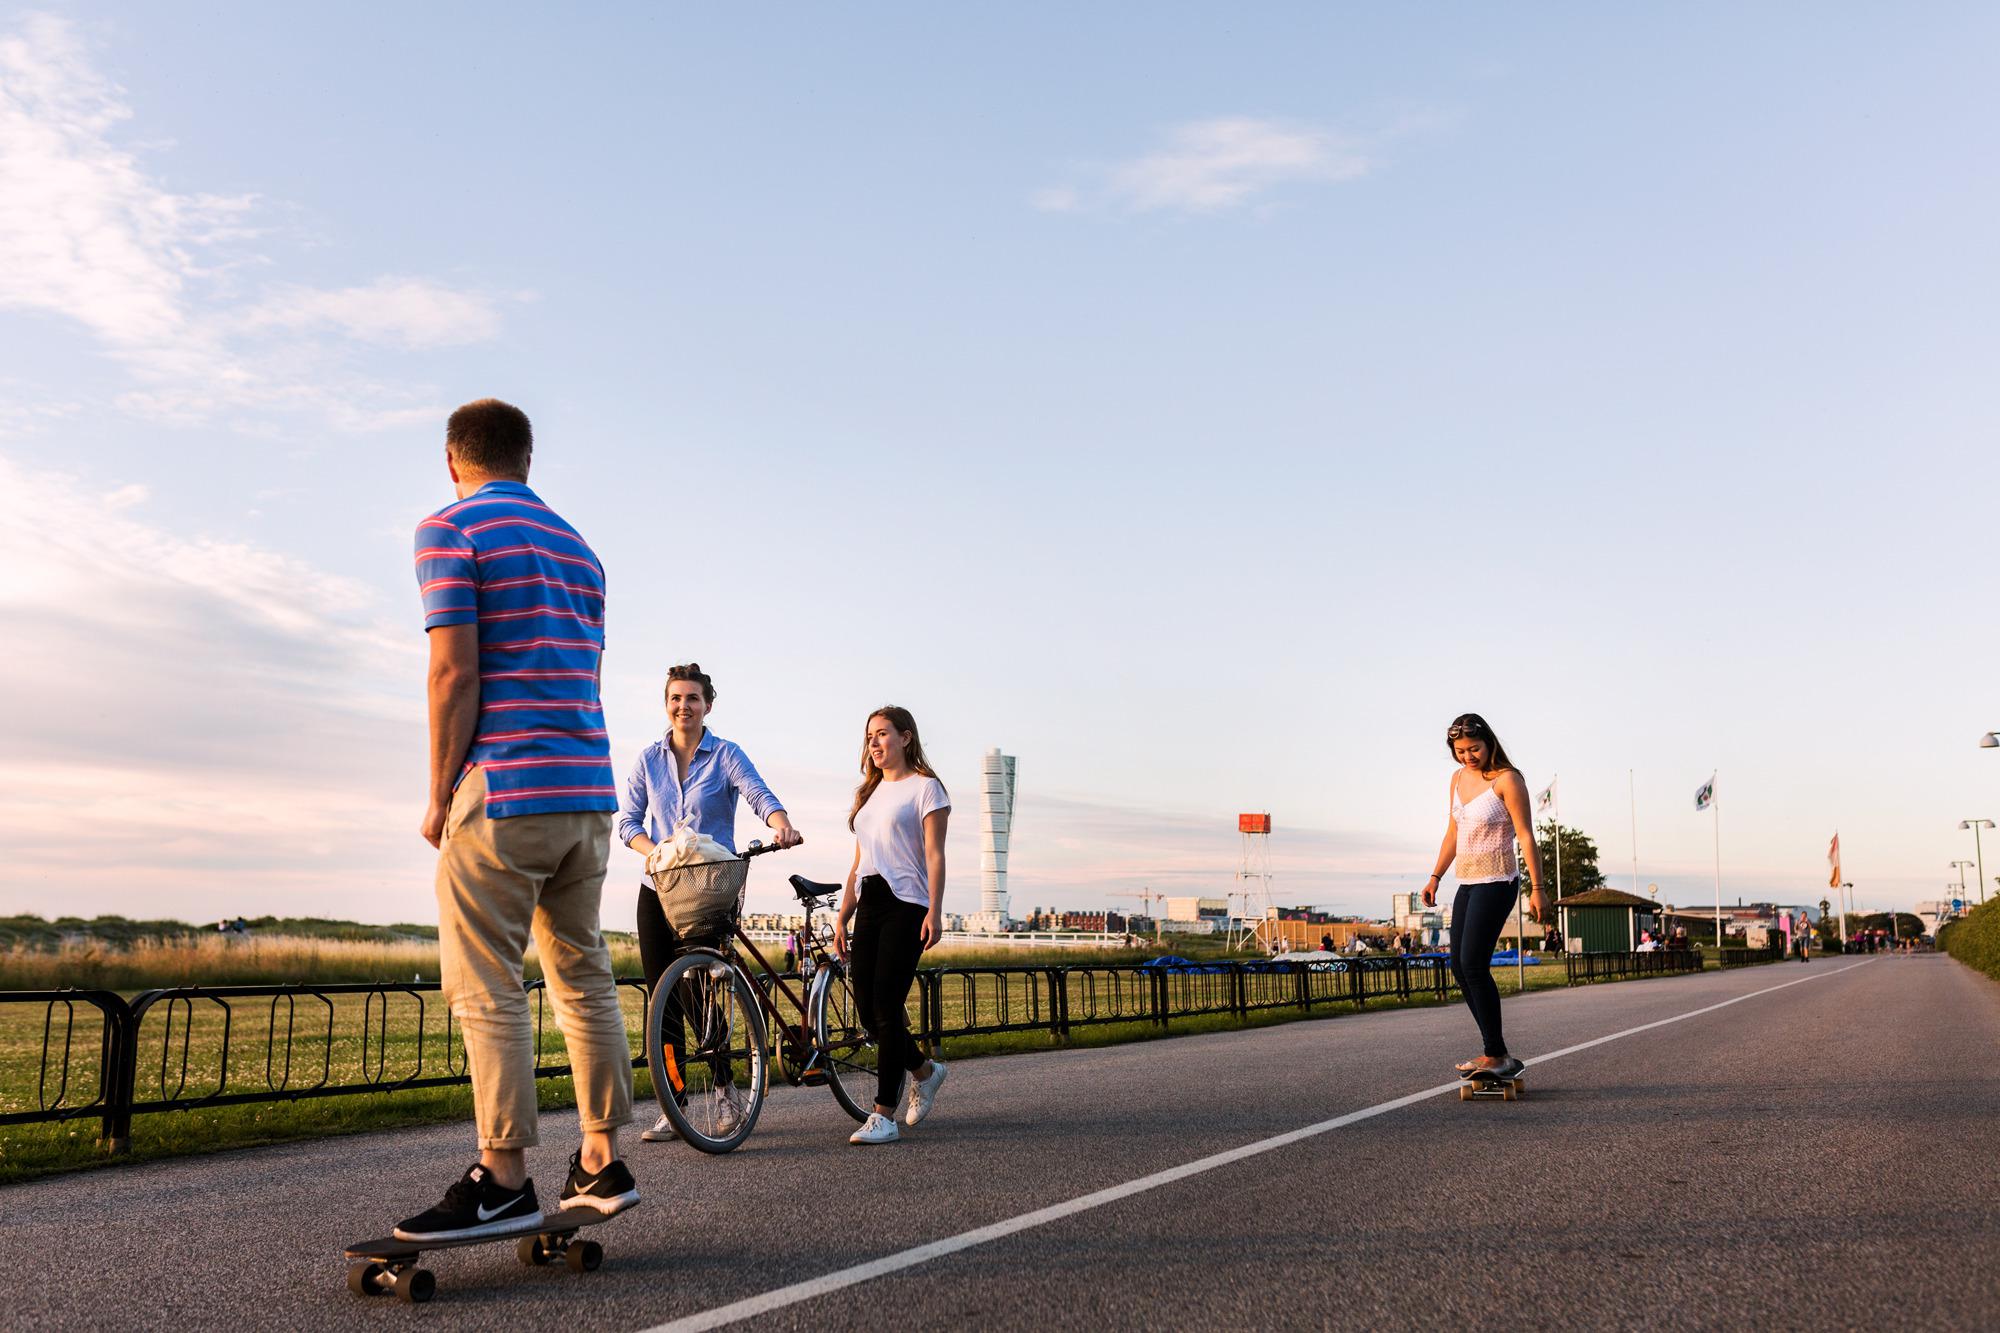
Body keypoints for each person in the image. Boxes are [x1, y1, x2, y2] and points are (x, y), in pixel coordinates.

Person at [399, 398, 636, 1241]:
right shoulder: (583, 551)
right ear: (527, 462)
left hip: (504, 792)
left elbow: (453, 673)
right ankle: (603, 1155)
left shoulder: (449, 529)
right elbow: (586, 674)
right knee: (584, 975)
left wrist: (438, 792)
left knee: (488, 983)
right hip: (587, 793)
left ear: (454, 460)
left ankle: (502, 1177)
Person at [616, 662, 801, 1144]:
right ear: (667, 704)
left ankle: (722, 1089)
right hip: (658, 888)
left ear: (707, 705)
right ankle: (675, 1104)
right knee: (664, 1000)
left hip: (709, 887)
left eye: (692, 698)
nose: (684, 706)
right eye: (676, 698)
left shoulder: (725, 754)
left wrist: (779, 823)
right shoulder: (648, 759)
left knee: (700, 993)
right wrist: (653, 852)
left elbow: (758, 793)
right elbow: (628, 822)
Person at [832, 706, 950, 1145]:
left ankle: (883, 1114)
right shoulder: (870, 794)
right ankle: (924, 1070)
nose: (874, 744)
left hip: (908, 903)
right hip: (871, 902)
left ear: (905, 737)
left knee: (886, 1004)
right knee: (866, 1008)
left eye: (882, 735)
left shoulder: (927, 789)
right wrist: (843, 915)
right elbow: (860, 862)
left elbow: (935, 854)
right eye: (869, 737)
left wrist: (934, 910)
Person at [1421, 713, 1550, 1083]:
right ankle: (1496, 1052)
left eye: (1473, 749)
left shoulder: (1508, 780)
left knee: (1474, 965)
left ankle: (1496, 1054)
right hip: (1467, 882)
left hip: (1498, 880)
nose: (1467, 757)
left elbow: (1526, 836)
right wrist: (1435, 876)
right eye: (1460, 751)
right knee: (1459, 967)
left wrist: (1537, 889)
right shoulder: (1458, 779)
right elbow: (1452, 832)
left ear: (1489, 743)